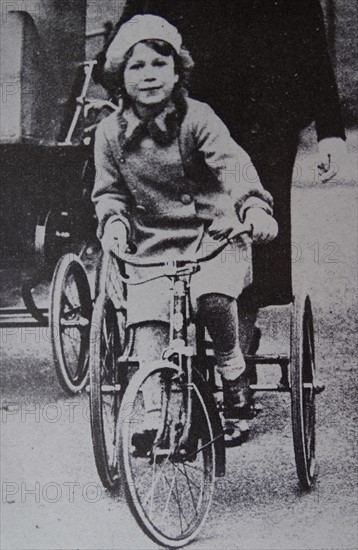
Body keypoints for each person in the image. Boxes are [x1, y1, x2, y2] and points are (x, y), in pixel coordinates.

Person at [93, 0, 346, 354]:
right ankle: (179, 346)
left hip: (266, 110)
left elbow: (310, 37)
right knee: (180, 224)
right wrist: (119, 67)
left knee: (255, 224)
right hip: (185, 108)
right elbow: (139, 13)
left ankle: (237, 352)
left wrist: (330, 129)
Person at [92, 15, 278, 445]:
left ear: (177, 71)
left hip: (216, 237)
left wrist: (253, 206)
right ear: (121, 77)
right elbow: (109, 193)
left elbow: (232, 164)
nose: (149, 75)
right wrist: (115, 223)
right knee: (148, 322)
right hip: (153, 245)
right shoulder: (109, 134)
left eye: (160, 63)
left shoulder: (198, 119)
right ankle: (155, 415)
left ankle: (233, 369)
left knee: (213, 297)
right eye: (136, 66)